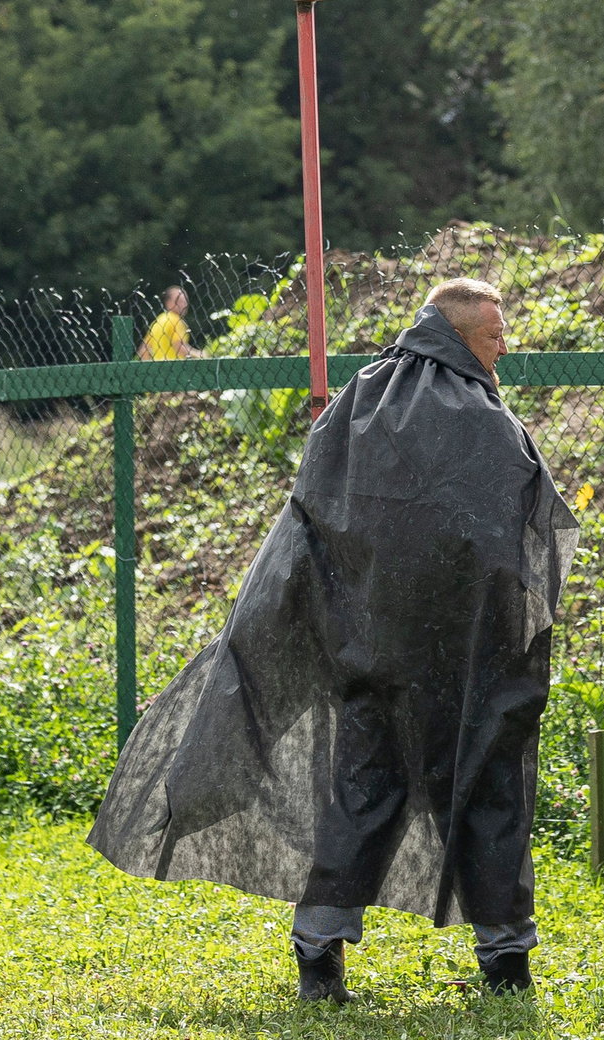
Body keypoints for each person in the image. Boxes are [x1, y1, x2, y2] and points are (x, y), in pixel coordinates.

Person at [87, 276, 576, 1003]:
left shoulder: (359, 398)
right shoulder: (484, 417)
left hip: (371, 652)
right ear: (460, 332)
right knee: (488, 790)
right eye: (496, 332)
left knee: (362, 792)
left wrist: (337, 622)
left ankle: (318, 954)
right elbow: (524, 530)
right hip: (467, 659)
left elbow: (314, 516)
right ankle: (506, 960)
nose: (506, 344)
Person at [138, 286, 205, 360]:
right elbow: (179, 345)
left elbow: (143, 350)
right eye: (179, 301)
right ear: (168, 302)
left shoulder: (158, 320)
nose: (184, 305)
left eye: (185, 301)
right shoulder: (175, 320)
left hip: (159, 367)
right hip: (175, 367)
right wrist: (199, 354)